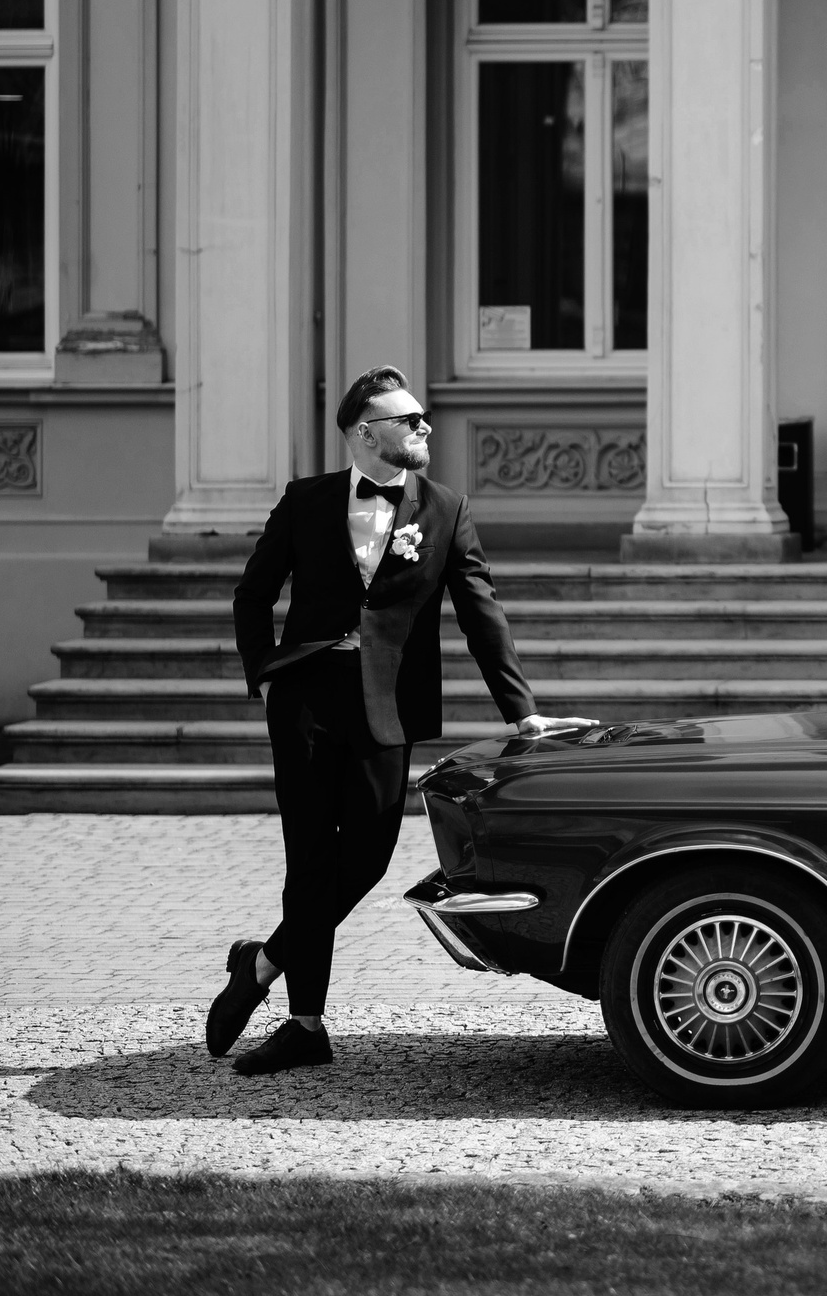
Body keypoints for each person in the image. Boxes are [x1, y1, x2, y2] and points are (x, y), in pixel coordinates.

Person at [206, 365, 590, 1074]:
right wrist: (263, 671)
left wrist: (523, 712)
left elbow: (482, 613)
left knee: (368, 858)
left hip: (385, 706)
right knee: (311, 859)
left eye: (423, 418)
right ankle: (305, 1024)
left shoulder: (444, 507)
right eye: (408, 418)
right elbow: (252, 593)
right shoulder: (306, 500)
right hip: (306, 701)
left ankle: (259, 965)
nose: (424, 427)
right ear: (365, 431)